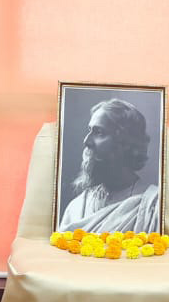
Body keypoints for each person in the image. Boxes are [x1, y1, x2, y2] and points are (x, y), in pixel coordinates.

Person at [57, 98, 160, 234]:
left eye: (99, 132)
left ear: (125, 142)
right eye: (89, 130)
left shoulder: (153, 206)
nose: (86, 141)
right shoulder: (77, 206)